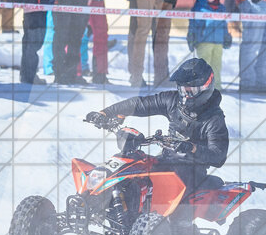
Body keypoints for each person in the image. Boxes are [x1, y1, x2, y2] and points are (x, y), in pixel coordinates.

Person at [86, 57, 229, 199]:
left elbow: (219, 156)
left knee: (173, 190)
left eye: (191, 90)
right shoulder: (172, 100)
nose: (185, 94)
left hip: (192, 170)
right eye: (182, 89)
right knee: (135, 167)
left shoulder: (214, 118)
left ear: (206, 87)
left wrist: (192, 148)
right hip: (167, 159)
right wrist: (106, 113)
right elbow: (140, 104)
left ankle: (180, 222)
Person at [187, 0, 232, 89]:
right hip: (203, 42)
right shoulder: (199, 7)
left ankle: (216, 87)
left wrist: (226, 36)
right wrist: (191, 37)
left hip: (218, 43)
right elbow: (192, 24)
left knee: (216, 65)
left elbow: (224, 25)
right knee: (203, 65)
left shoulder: (221, 8)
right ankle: (202, 86)